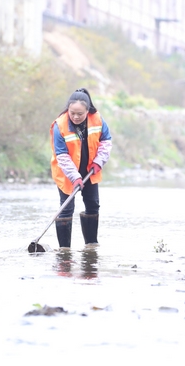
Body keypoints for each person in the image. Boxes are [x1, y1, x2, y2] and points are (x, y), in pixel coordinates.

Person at [49, 88, 112, 248]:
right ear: (68, 109)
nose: (76, 117)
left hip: (90, 170)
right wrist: (74, 177)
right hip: (67, 172)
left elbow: (106, 141)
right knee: (66, 207)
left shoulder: (97, 119)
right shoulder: (59, 125)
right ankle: (64, 250)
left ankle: (91, 245)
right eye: (72, 113)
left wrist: (99, 161)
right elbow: (61, 155)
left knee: (93, 204)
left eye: (80, 114)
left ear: (87, 111)